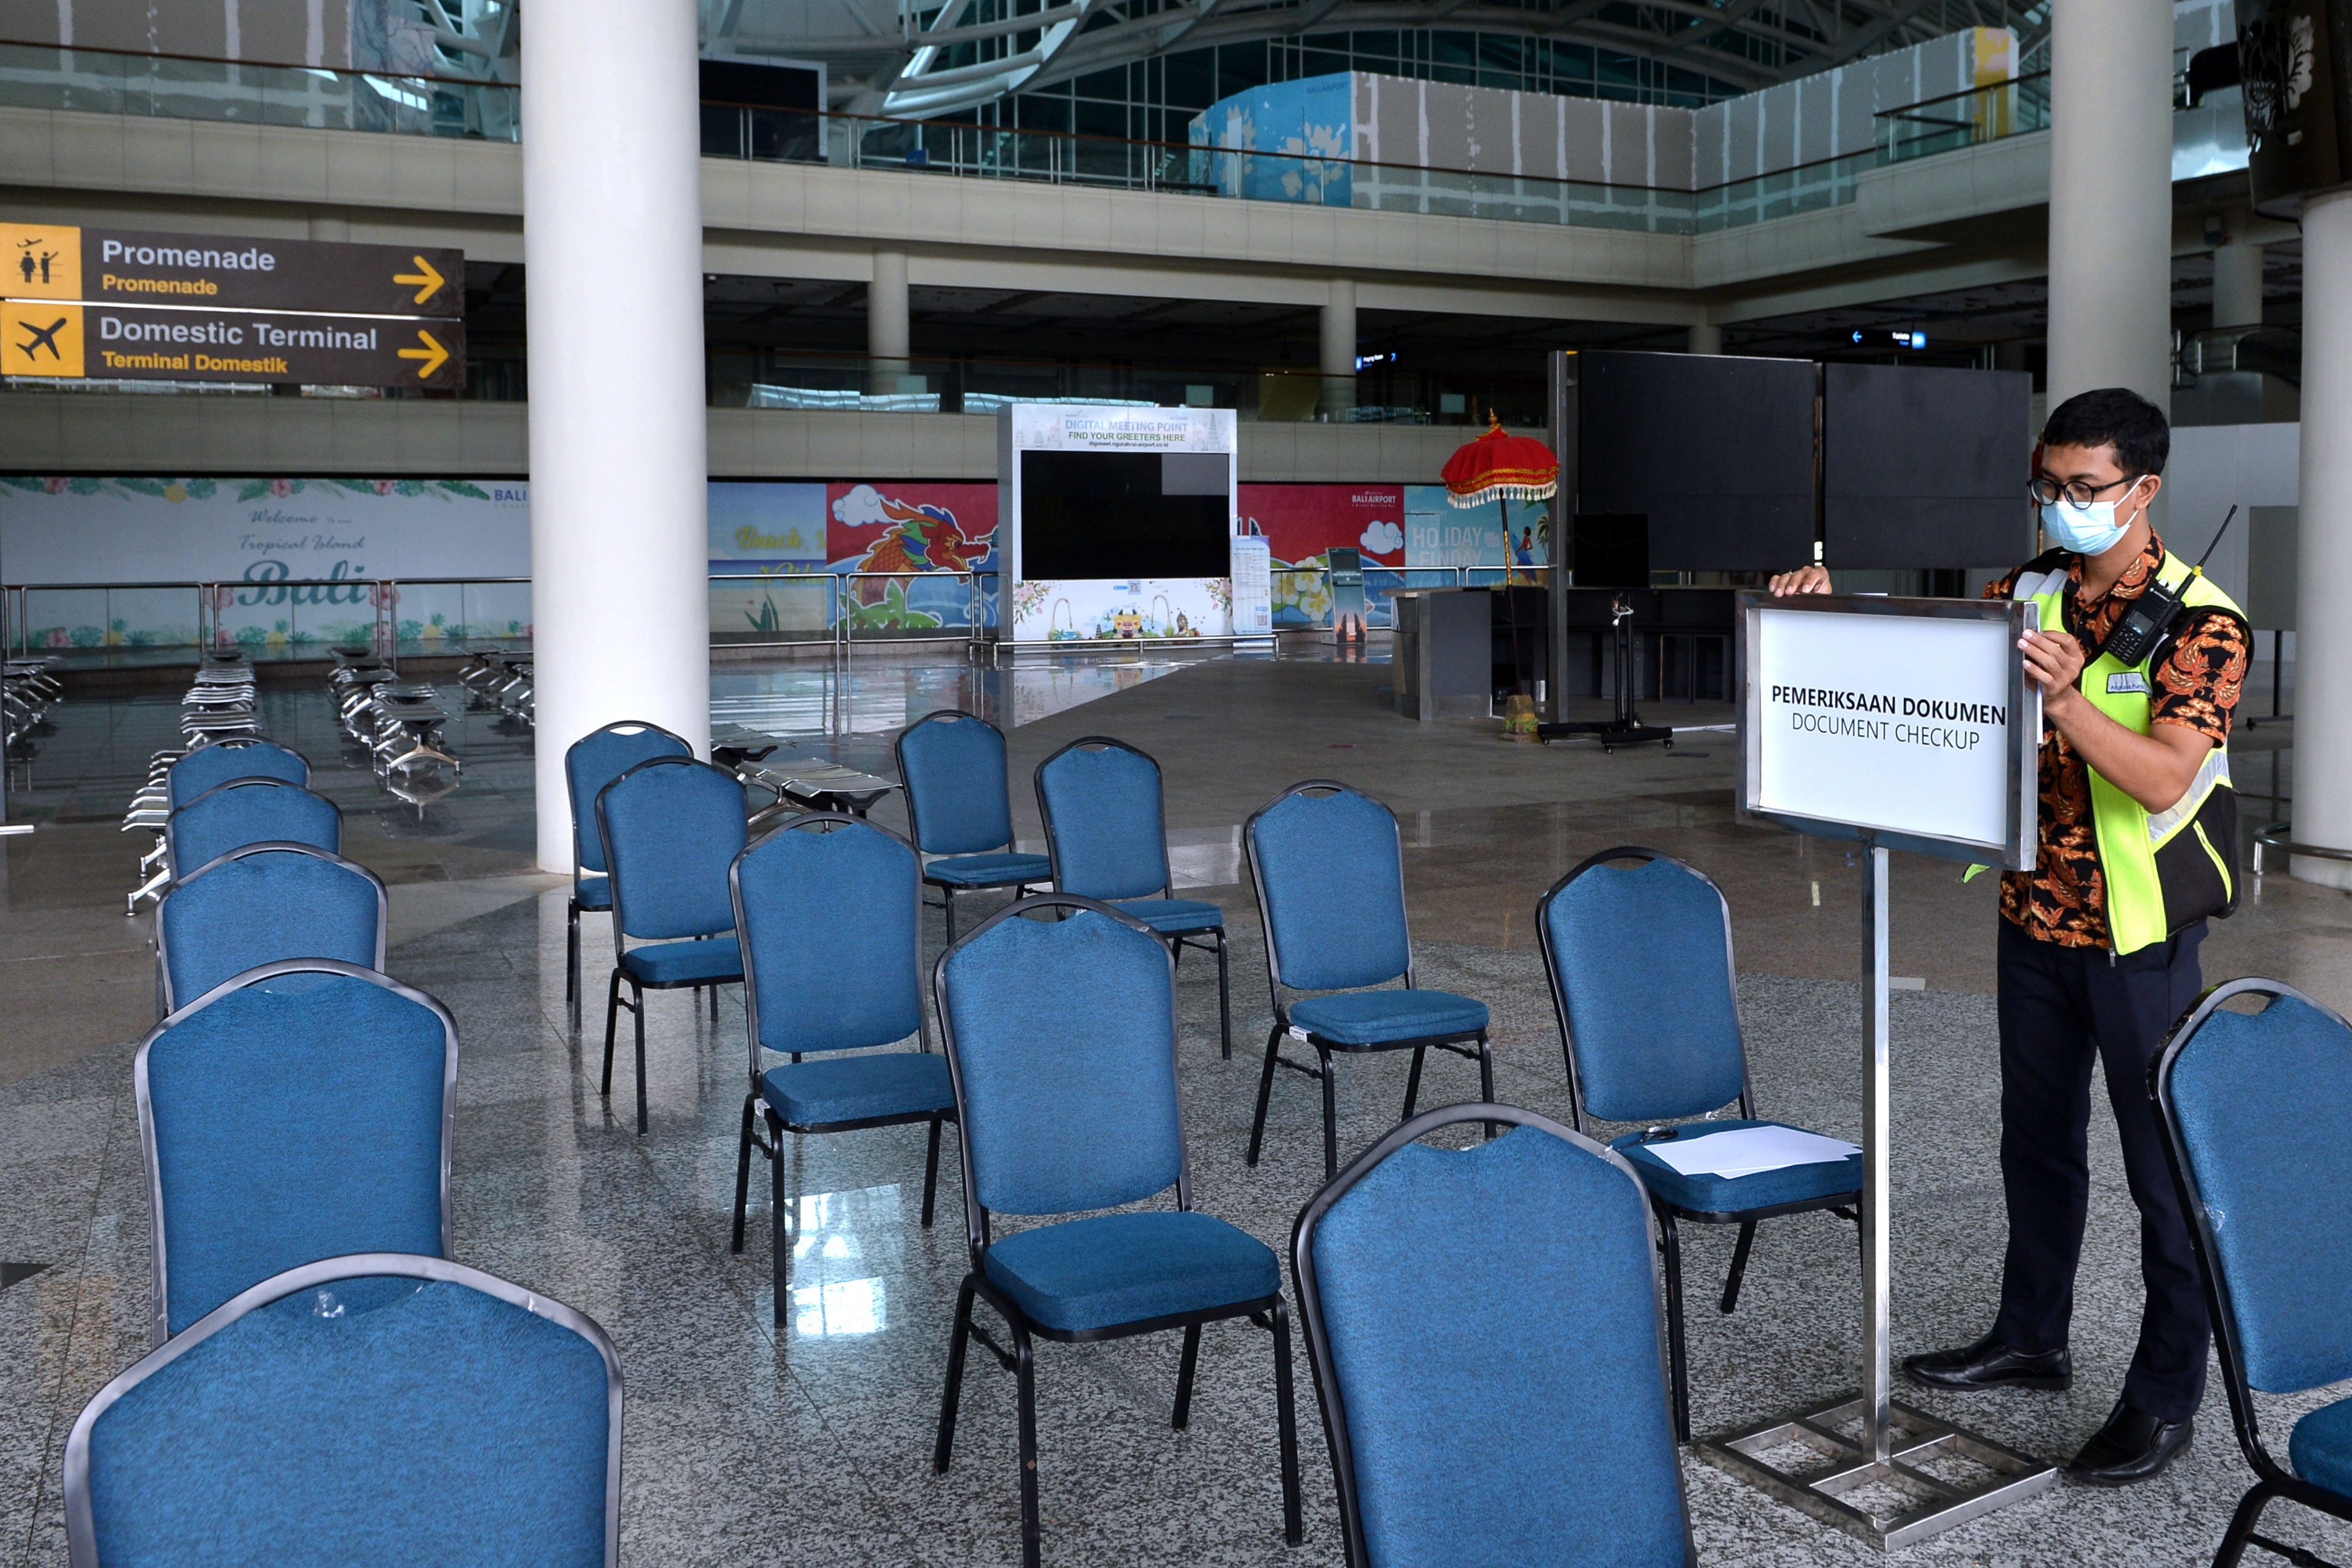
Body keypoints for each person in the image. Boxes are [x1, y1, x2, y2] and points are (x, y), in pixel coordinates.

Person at [1769, 386, 2249, 1486]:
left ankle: (2165, 1393)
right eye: (2048, 487)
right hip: (2031, 919)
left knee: (2161, 1170)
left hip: (2138, 939)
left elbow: (2167, 775)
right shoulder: (2026, 589)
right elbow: (1919, 682)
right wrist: (1825, 613)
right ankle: (2030, 1333)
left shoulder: (2199, 622)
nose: (2063, 507)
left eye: (2085, 490)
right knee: (2033, 1142)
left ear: (2142, 489)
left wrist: (2075, 704)